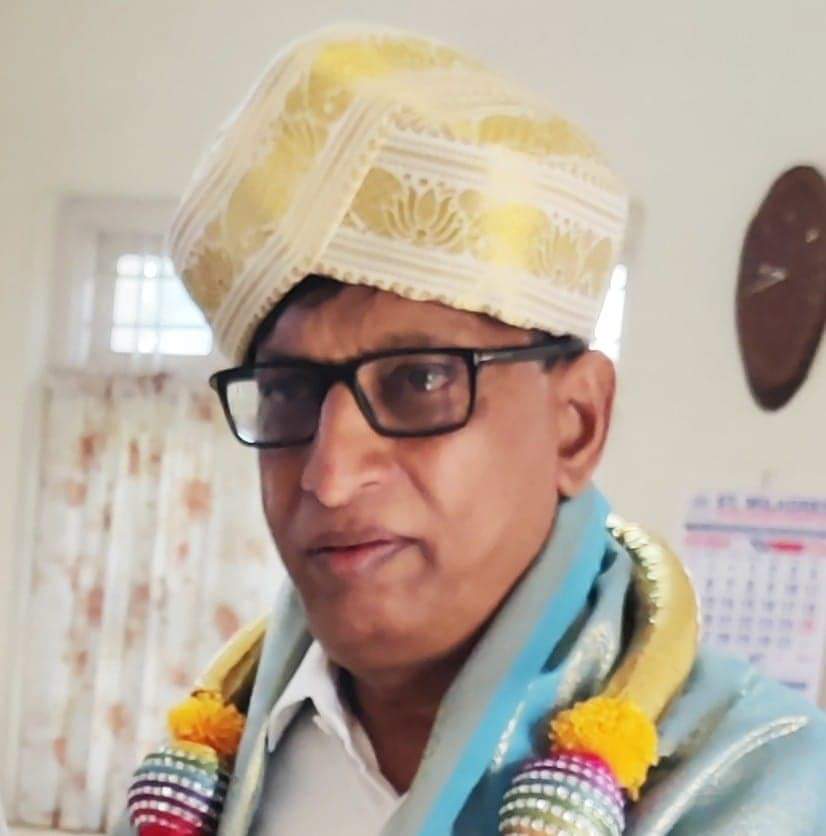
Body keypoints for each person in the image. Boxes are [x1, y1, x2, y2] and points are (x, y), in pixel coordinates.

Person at [118, 24, 826, 836]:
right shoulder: (214, 768)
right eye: (287, 391)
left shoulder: (766, 784)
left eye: (421, 380)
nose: (330, 475)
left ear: (576, 424)